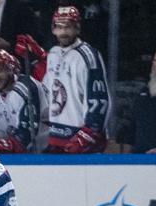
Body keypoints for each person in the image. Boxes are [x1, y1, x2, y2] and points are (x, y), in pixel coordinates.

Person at [43, 6, 109, 153]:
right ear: (53, 29)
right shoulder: (53, 53)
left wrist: (89, 135)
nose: (64, 32)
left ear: (78, 28)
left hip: (81, 140)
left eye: (69, 27)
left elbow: (100, 100)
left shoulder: (88, 55)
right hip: (57, 137)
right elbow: (48, 90)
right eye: (59, 27)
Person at [0, 50, 49, 153]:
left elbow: (26, 136)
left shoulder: (25, 88)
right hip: (25, 155)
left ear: (11, 70)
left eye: (0, 71)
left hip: (48, 153)